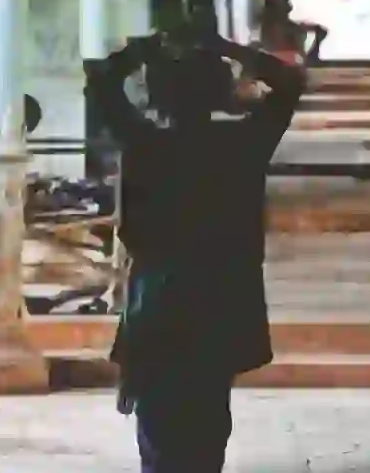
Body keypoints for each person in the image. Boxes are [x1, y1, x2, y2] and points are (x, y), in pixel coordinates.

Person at [89, 27, 306, 473]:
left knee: (159, 429)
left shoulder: (145, 143)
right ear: (221, 93)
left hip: (158, 301)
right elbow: (289, 84)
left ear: (158, 94)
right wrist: (228, 48)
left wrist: (140, 50)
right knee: (206, 427)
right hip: (221, 299)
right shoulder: (242, 144)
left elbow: (102, 82)